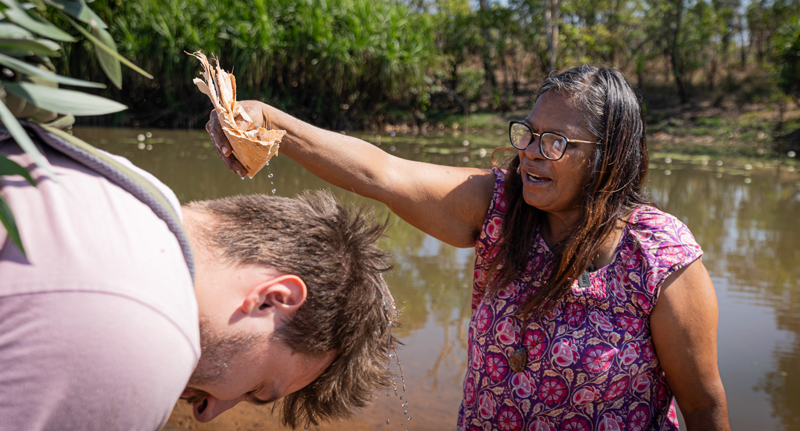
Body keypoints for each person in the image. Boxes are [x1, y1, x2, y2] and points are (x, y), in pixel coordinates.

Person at [207, 66, 730, 430]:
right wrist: (274, 124)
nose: (531, 154)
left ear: (608, 156)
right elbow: (381, 173)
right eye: (528, 134)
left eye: (556, 143)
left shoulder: (658, 255)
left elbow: (703, 406)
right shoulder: (500, 208)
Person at [0, 126, 397, 430]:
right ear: (271, 300)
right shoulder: (146, 342)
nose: (209, 412)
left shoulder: (128, 190)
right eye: (255, 389)